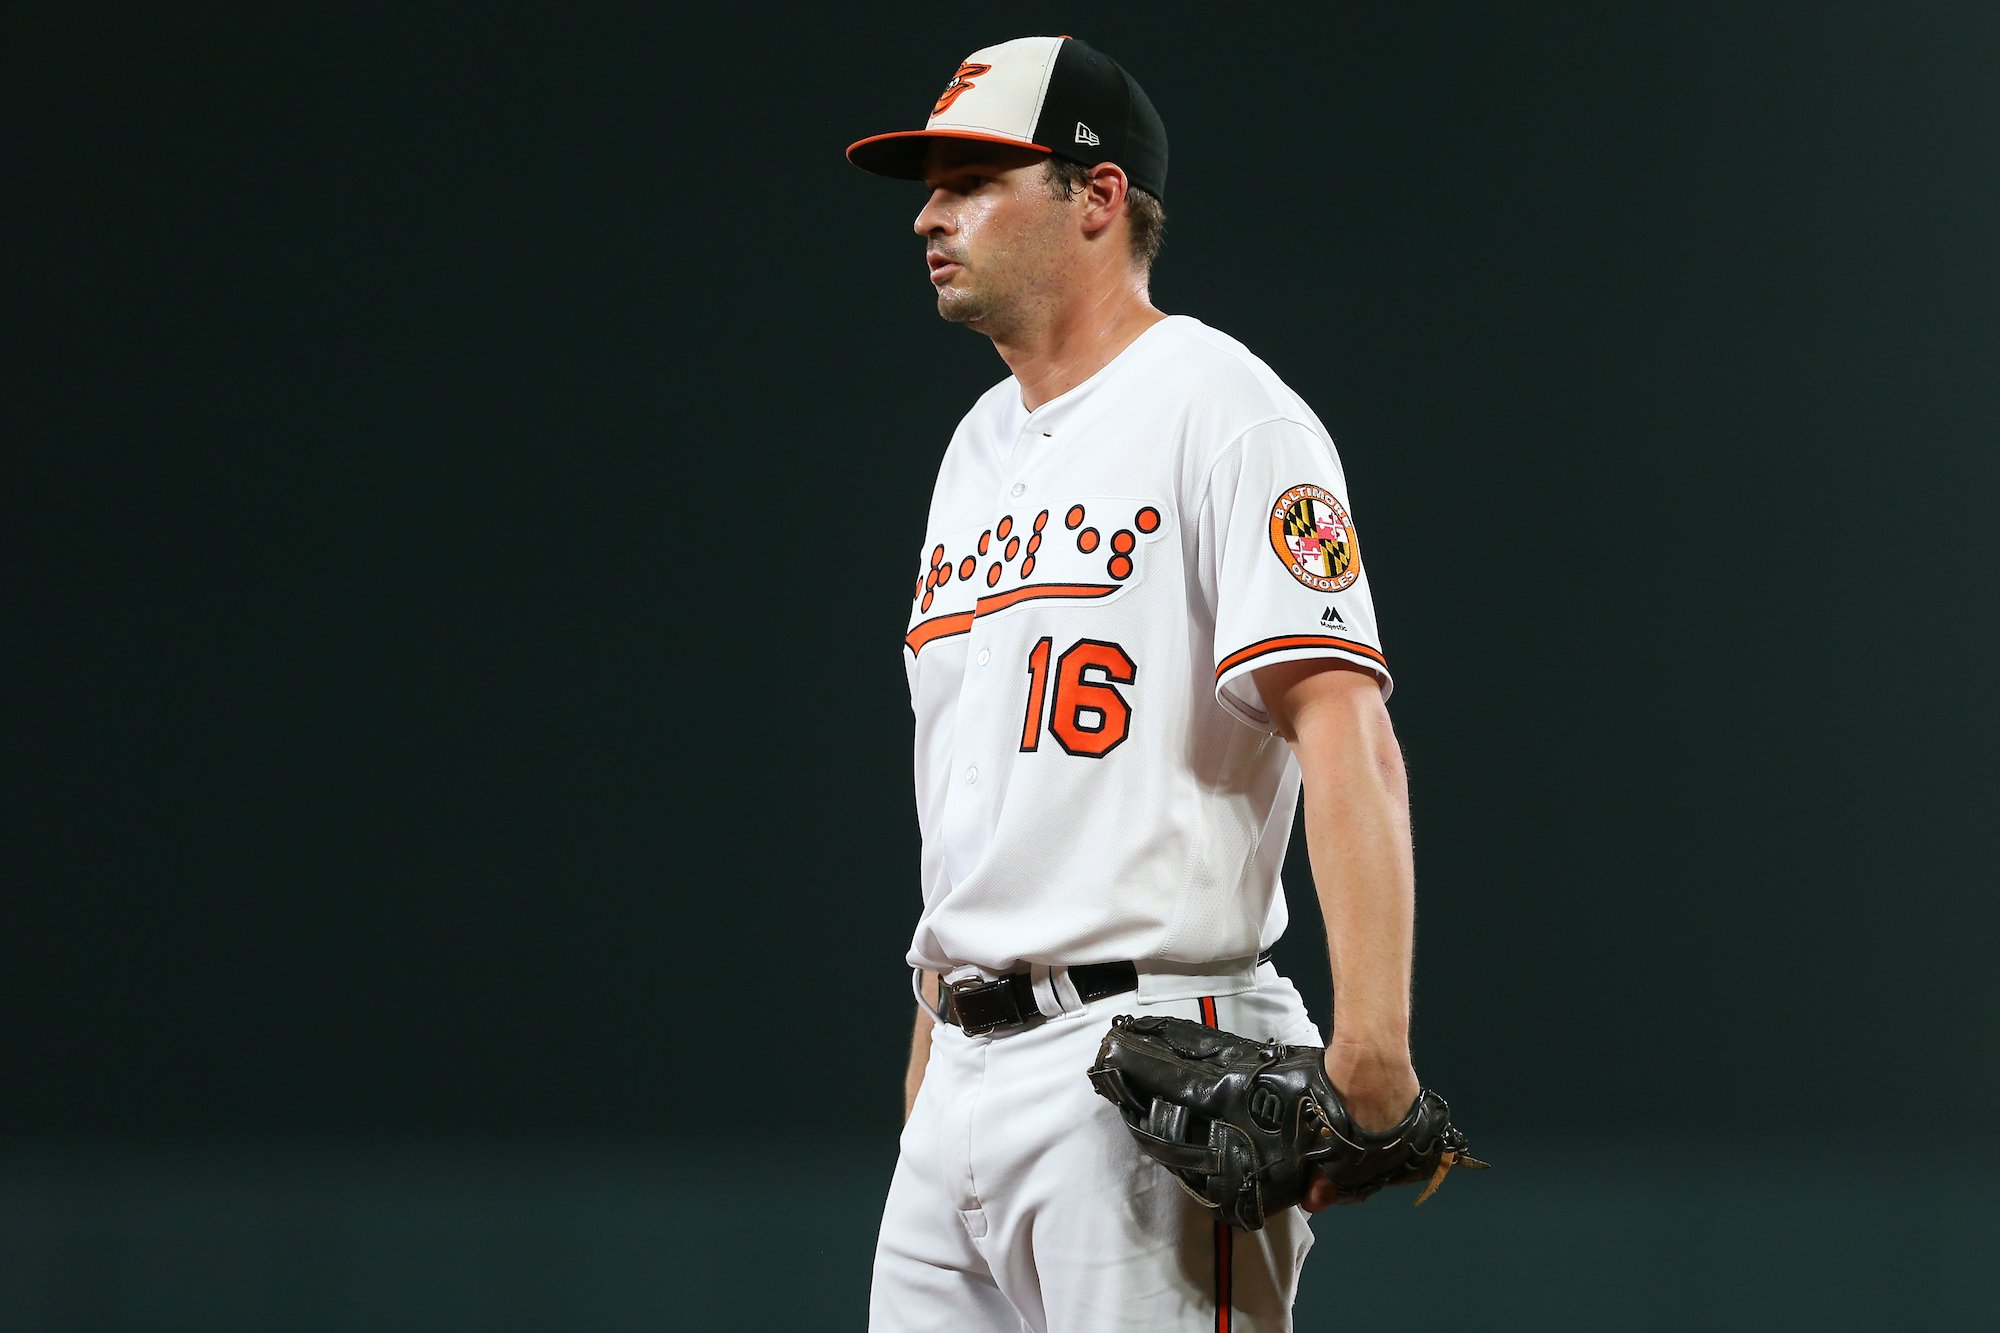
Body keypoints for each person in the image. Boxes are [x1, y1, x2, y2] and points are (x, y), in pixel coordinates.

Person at [850, 35, 1427, 1332]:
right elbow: (970, 805)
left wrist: (1371, 1037)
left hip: (1152, 1051)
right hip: (962, 1078)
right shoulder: (973, 449)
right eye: (931, 187)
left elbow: (1343, 725)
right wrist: (933, 1068)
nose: (932, 215)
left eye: (975, 179)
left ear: (1097, 199)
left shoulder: (1224, 411)